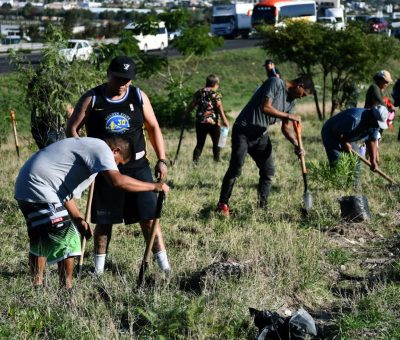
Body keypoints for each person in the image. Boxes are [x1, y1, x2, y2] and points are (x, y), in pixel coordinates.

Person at [14, 136, 170, 289]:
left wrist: (77, 219)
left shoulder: (88, 147)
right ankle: (65, 290)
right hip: (41, 186)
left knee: (41, 239)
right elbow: (117, 181)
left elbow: (63, 191)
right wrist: (154, 186)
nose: (115, 167)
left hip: (26, 185)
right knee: (70, 239)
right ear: (115, 150)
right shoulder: (102, 149)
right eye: (118, 163)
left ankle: (37, 286)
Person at [66, 55, 170, 275]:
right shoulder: (92, 98)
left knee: (149, 219)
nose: (123, 83)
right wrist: (86, 156)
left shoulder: (138, 96)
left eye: (127, 79)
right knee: (104, 222)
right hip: (106, 169)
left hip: (138, 166)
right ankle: (98, 271)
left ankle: (165, 268)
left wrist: (161, 159)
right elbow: (72, 129)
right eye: (119, 78)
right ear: (108, 74)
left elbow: (153, 127)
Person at [216, 75, 314, 217]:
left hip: (260, 135)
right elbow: (265, 107)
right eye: (303, 94)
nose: (301, 97)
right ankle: (222, 204)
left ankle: (262, 207)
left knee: (268, 171)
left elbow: (286, 129)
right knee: (236, 167)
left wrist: (297, 144)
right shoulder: (275, 83)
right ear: (299, 85)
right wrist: (288, 116)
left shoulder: (291, 102)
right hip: (243, 131)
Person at [321, 105, 389, 170]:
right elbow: (335, 130)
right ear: (372, 117)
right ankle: (336, 181)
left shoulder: (375, 124)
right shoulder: (354, 119)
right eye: (377, 123)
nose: (377, 126)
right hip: (331, 133)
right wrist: (344, 143)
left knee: (355, 161)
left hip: (346, 135)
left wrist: (373, 160)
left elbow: (373, 140)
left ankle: (352, 182)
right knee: (338, 163)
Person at [184, 74, 229, 164]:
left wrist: (186, 113)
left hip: (200, 122)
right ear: (216, 84)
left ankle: (195, 162)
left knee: (200, 143)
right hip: (213, 122)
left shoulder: (199, 92)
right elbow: (219, 107)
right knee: (216, 143)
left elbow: (192, 104)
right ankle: (217, 160)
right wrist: (224, 120)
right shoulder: (216, 94)